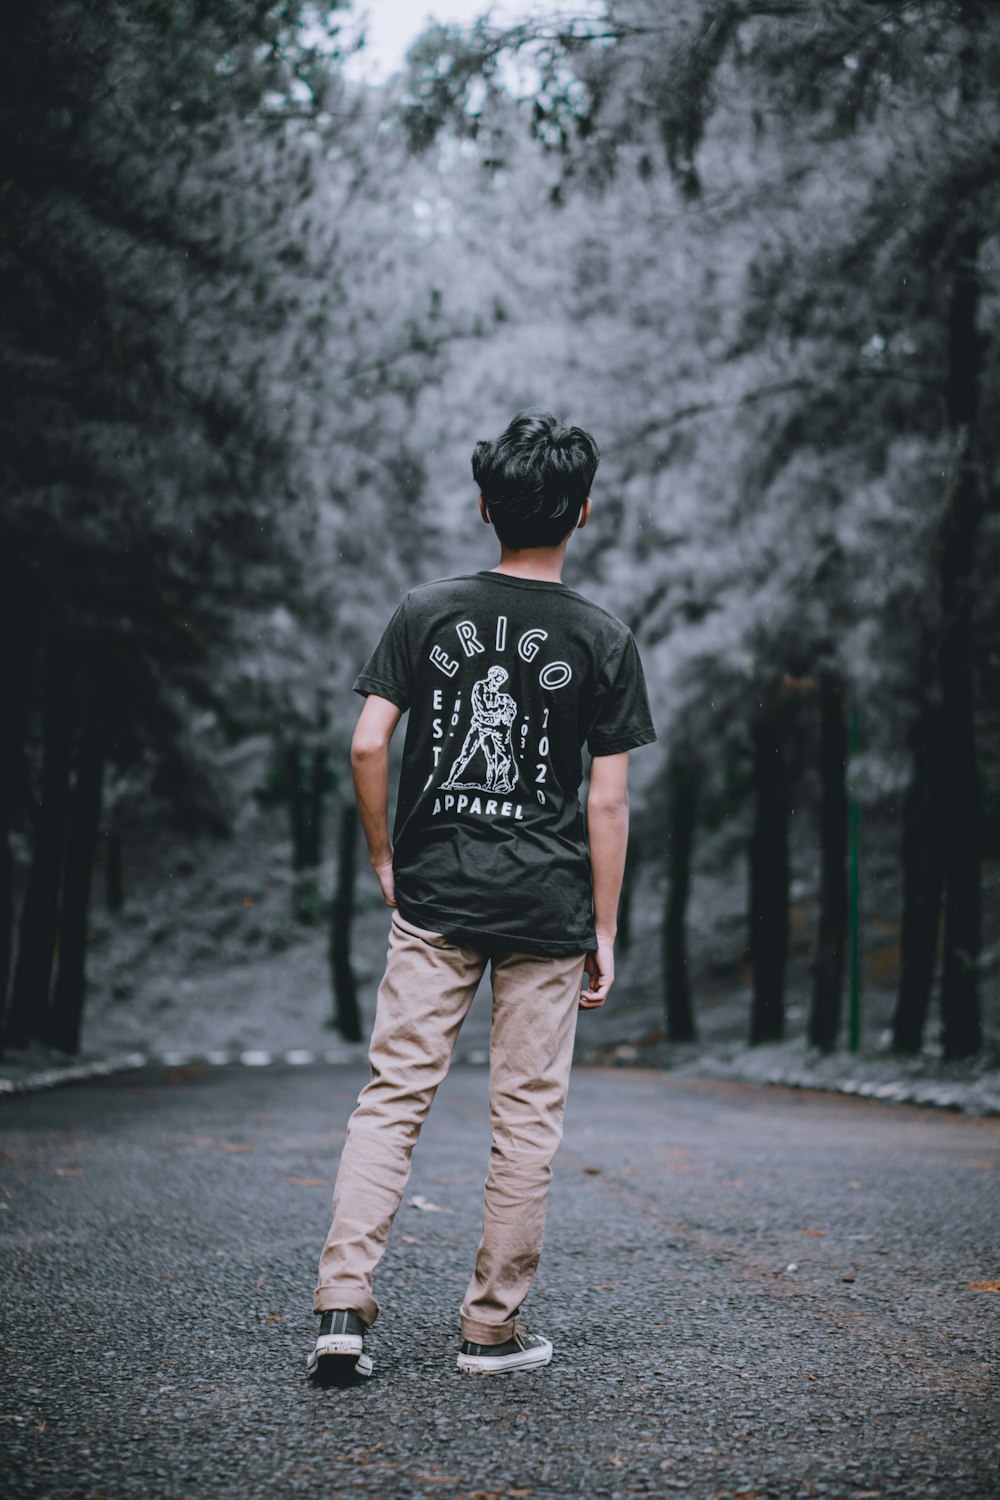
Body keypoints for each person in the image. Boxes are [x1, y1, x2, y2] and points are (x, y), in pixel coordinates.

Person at [307, 410, 656, 1383]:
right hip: (546, 909)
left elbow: (368, 743)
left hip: (435, 897)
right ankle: (490, 1331)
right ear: (581, 513)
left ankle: (342, 1309)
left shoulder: (425, 613)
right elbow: (608, 798)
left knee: (391, 1101)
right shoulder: (602, 637)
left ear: (482, 506)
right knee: (524, 1119)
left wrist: (387, 856)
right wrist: (603, 924)